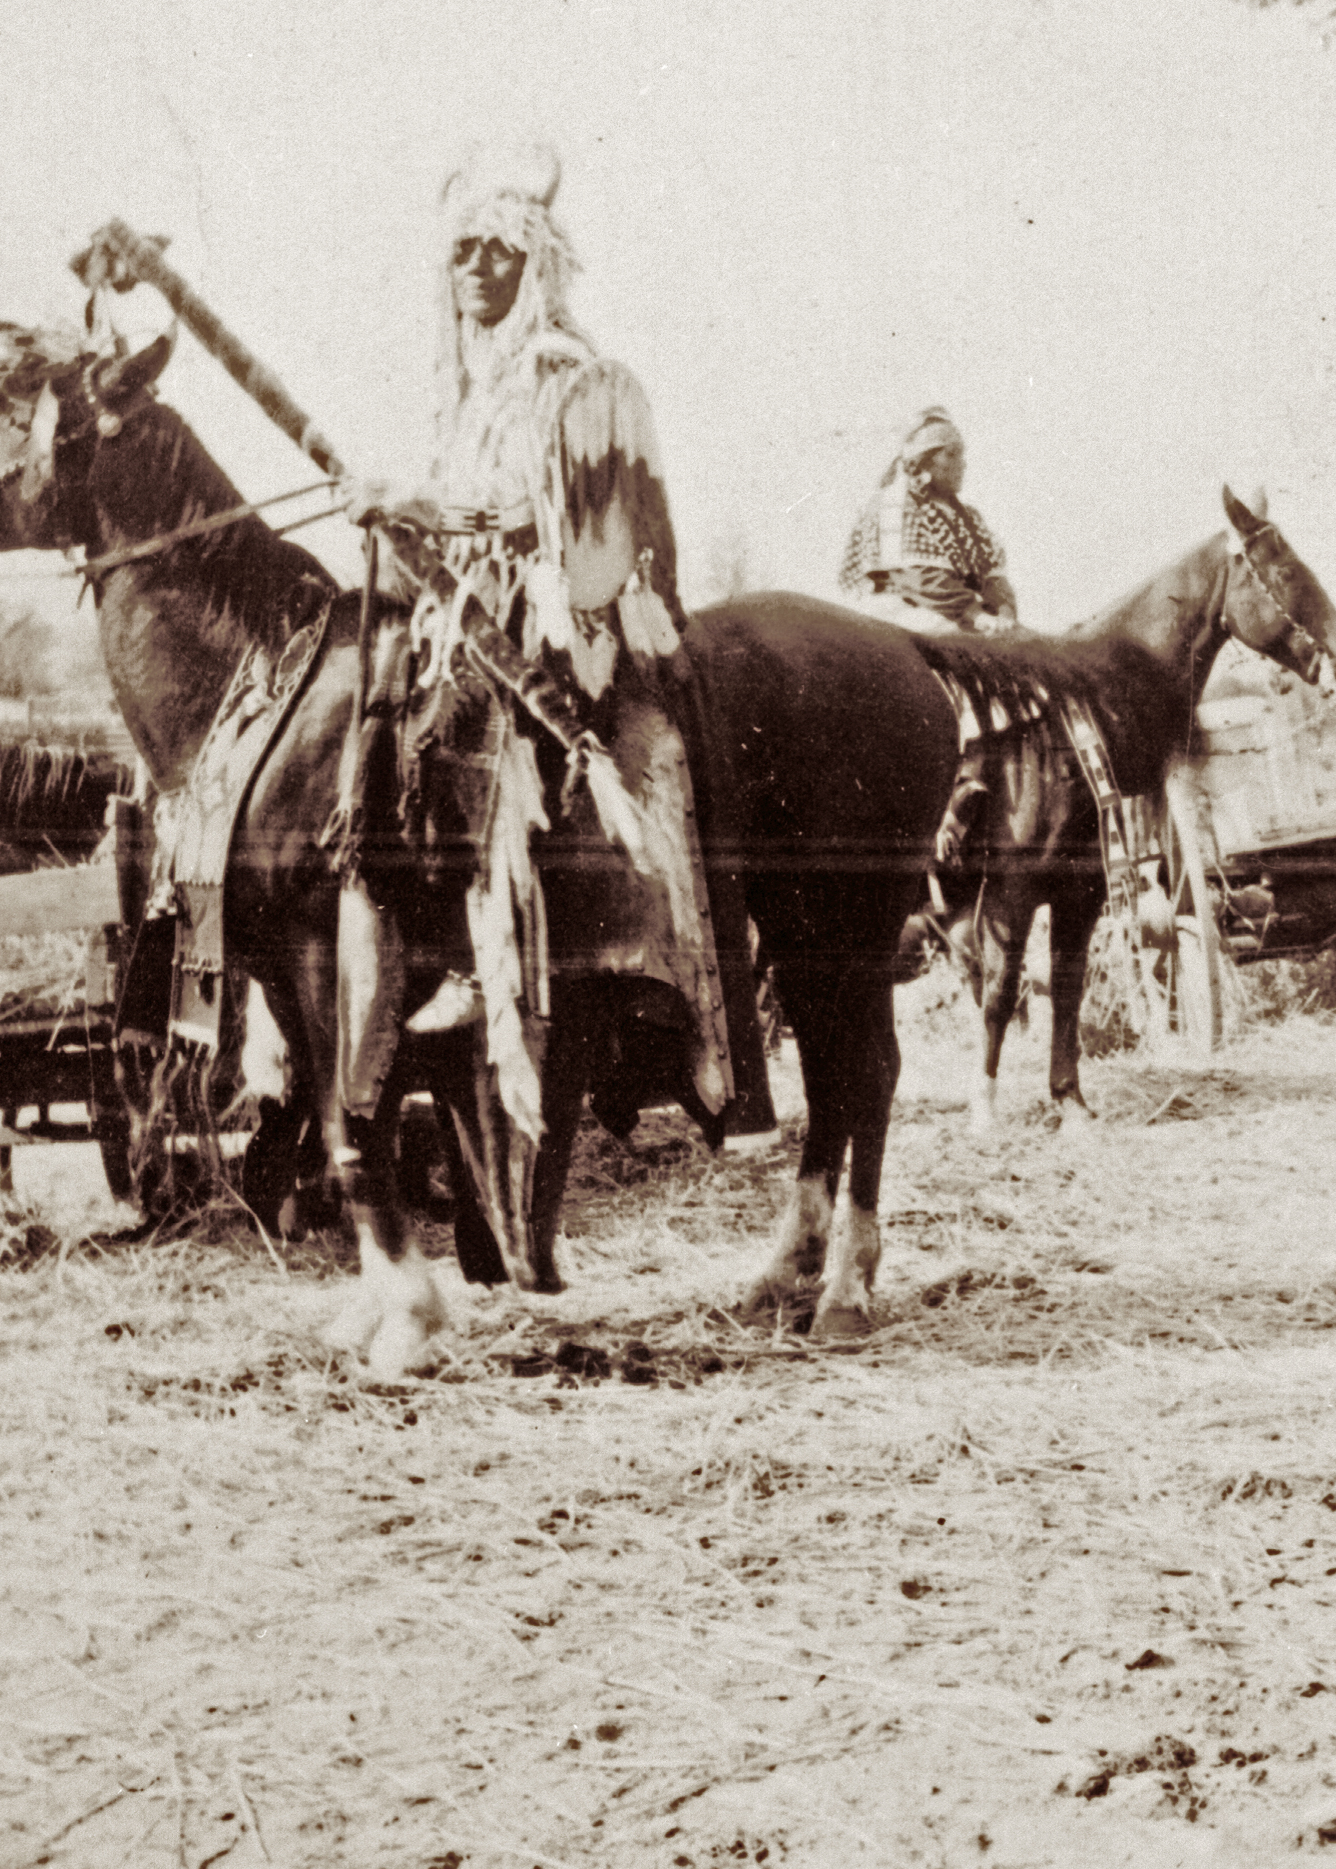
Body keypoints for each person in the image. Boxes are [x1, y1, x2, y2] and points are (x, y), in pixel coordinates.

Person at [345, 143, 745, 1131]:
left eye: (498, 254)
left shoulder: (568, 373)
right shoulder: (467, 386)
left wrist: (421, 503)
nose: (476, 270)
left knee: (481, 733)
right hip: (463, 609)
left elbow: (542, 511)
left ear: (536, 266)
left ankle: (499, 961)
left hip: (555, 609)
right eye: (462, 253)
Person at [840, 409, 1018, 631]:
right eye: (951, 455)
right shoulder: (895, 504)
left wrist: (1005, 611)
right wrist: (975, 615)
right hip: (898, 610)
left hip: (962, 612)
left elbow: (993, 578)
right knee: (960, 645)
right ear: (923, 462)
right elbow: (917, 578)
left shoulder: (969, 517)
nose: (962, 464)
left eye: (962, 455)